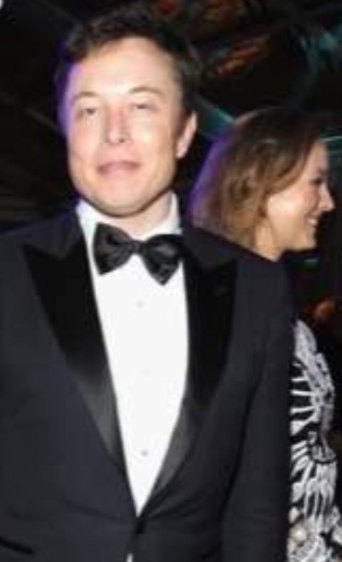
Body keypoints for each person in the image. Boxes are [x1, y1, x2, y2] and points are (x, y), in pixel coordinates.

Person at [0, 4, 294, 561]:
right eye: (89, 110)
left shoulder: (258, 290)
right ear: (66, 131)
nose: (114, 133)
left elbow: (258, 503)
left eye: (141, 106)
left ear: (185, 131)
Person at [188, 105, 341, 561]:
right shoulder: (213, 307)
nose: (329, 202)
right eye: (316, 182)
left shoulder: (281, 311)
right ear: (261, 181)